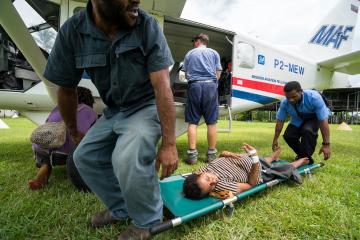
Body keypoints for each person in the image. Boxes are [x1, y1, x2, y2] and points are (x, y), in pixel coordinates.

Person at [43, 1, 178, 239]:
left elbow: (162, 86)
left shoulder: (146, 25)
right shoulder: (73, 32)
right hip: (114, 110)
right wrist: (74, 131)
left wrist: (169, 144)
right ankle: (122, 207)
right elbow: (65, 89)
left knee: (126, 156)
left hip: (145, 106)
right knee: (85, 157)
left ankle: (147, 220)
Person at [28, 86, 97, 191]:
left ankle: (45, 167)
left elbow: (48, 124)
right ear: (89, 100)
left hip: (41, 148)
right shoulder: (90, 112)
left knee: (46, 154)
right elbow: (93, 137)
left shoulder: (57, 108)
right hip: (66, 154)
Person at [183, 144, 309, 200]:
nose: (213, 181)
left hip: (248, 160)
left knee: (264, 160)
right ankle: (298, 163)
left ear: (199, 173)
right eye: (211, 186)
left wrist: (223, 154)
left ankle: (272, 157)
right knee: (283, 169)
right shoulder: (222, 186)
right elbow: (251, 185)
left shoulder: (202, 170)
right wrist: (254, 160)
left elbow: (217, 160)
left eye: (207, 178)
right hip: (259, 172)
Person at [183, 33, 222, 164]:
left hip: (194, 86)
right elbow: (218, 73)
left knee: (193, 123)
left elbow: (186, 74)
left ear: (199, 41)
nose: (194, 43)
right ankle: (211, 155)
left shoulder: (190, 54)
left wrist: (195, 82)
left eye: (195, 41)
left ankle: (192, 156)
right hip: (210, 86)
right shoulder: (214, 53)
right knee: (211, 123)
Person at [272, 81, 331, 164]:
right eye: (288, 97)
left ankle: (304, 158)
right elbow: (280, 122)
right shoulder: (285, 103)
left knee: (307, 131)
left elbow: (323, 121)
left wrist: (326, 144)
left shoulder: (314, 97)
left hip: (314, 116)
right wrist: (275, 140)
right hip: (299, 117)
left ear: (301, 91)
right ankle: (304, 157)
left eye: (294, 96)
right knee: (289, 135)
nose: (291, 100)